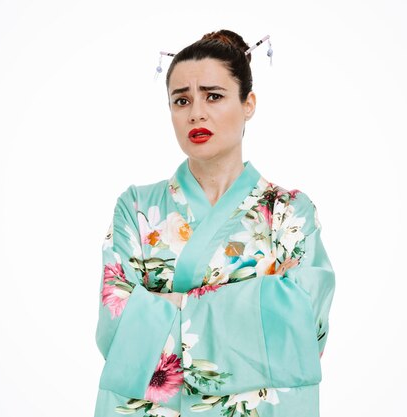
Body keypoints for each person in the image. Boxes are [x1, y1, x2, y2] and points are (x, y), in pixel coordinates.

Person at [94, 29, 336, 417]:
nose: (196, 113)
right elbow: (116, 331)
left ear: (248, 103)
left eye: (214, 96)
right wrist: (257, 303)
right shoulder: (136, 207)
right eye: (181, 100)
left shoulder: (290, 212)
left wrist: (171, 307)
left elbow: (305, 329)